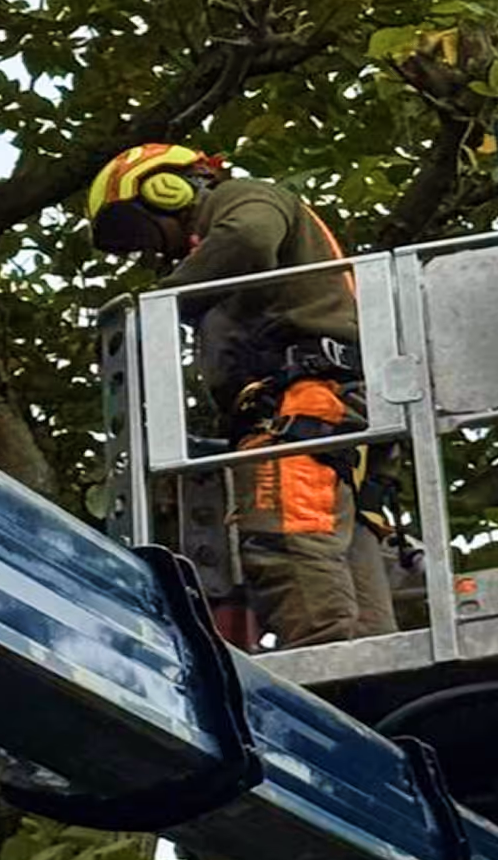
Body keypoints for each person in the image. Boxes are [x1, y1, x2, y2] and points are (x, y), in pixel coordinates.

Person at [86, 143, 397, 649]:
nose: (157, 253)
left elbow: (250, 239)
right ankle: (376, 685)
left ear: (166, 189)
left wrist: (163, 305)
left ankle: (330, 676)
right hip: (329, 407)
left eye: (145, 232)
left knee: (287, 540)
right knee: (343, 555)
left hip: (301, 403)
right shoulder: (236, 241)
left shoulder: (244, 198)